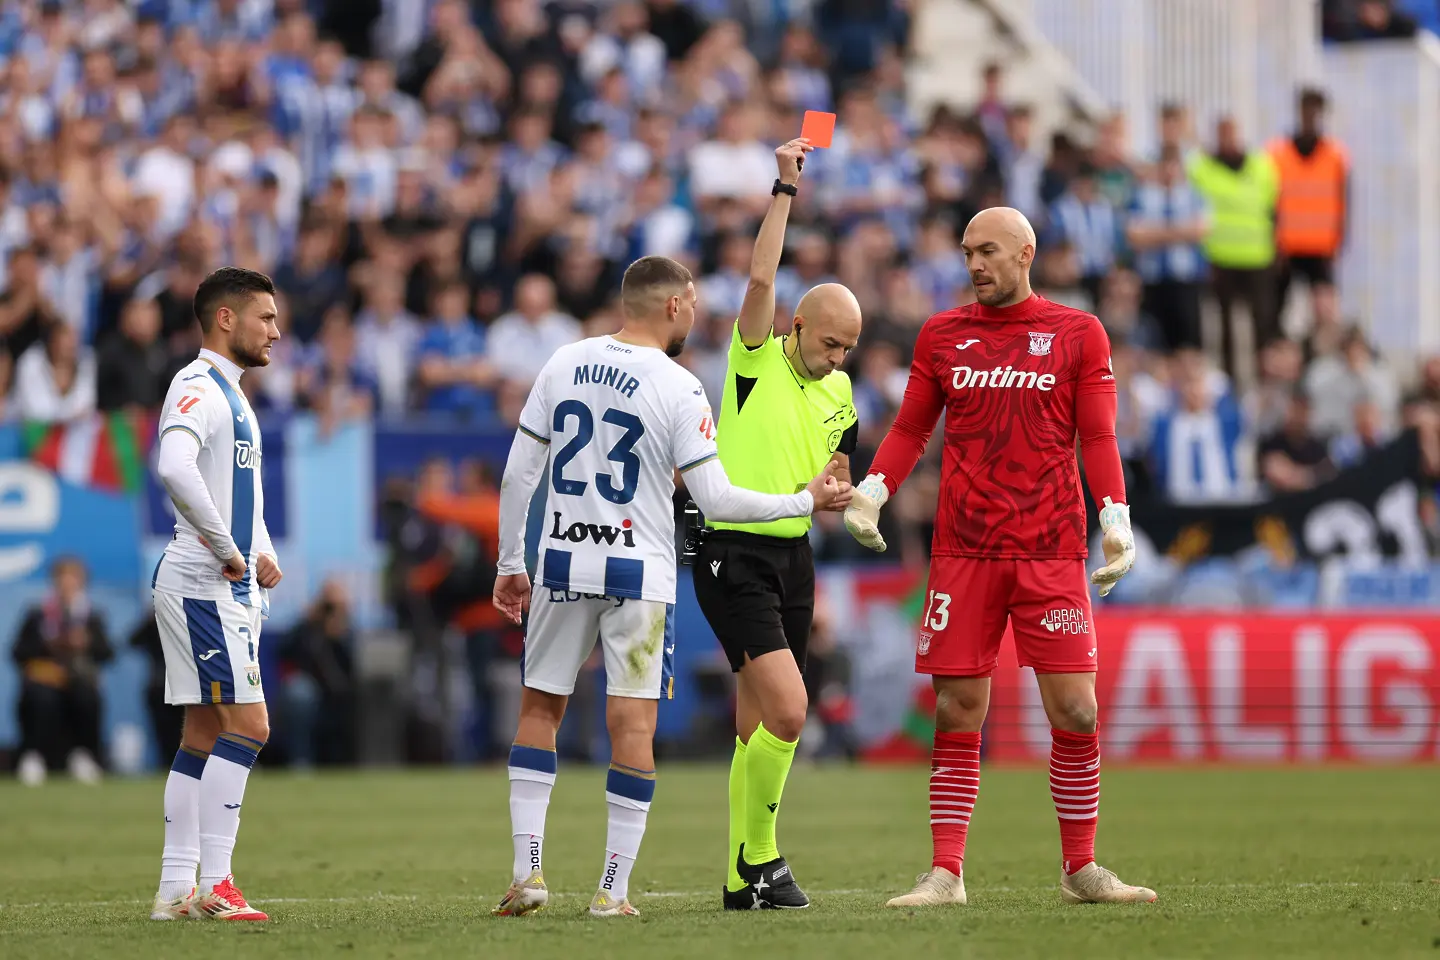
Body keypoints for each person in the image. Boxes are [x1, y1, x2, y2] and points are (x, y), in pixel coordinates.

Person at [490, 254, 850, 919]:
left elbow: (519, 474)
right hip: (638, 570)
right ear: (675, 306)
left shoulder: (561, 362)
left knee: (539, 711)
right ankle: (612, 891)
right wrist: (801, 502)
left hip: (562, 560)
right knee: (632, 724)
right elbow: (715, 499)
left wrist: (512, 563)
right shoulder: (679, 385)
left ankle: (528, 873)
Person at [842, 206, 1154, 907]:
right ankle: (946, 874)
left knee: (1076, 710)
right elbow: (911, 427)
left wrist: (1115, 517)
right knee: (957, 708)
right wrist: (872, 490)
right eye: (966, 253)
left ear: (1025, 253)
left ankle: (1081, 869)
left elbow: (1098, 439)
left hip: (1050, 550)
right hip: (965, 551)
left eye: (987, 252)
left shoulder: (1078, 333)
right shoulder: (943, 334)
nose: (974, 264)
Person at [691, 138, 863, 911]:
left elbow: (839, 468)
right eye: (830, 342)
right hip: (731, 551)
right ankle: (763, 857)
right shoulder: (757, 357)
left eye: (849, 347)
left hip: (793, 556)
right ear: (798, 325)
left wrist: (846, 496)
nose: (837, 357)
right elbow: (760, 274)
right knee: (791, 711)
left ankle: (739, 880)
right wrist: (784, 188)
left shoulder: (842, 391)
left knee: (755, 725)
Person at [147, 267, 283, 922]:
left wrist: (260, 551)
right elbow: (172, 466)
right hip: (204, 587)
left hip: (210, 583)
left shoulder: (230, 393)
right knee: (250, 726)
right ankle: (217, 883)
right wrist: (228, 551)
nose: (276, 333)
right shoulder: (199, 386)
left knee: (203, 730)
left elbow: (226, 487)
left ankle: (176, 889)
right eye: (265, 317)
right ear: (225, 319)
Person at [12, 557, 112, 787]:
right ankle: (34, 756)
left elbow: (107, 653)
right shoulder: (38, 614)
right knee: (41, 699)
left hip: (79, 680)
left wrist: (86, 642)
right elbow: (18, 652)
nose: (67, 584)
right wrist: (49, 644)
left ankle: (83, 755)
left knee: (87, 698)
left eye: (73, 579)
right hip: (44, 680)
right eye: (62, 579)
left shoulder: (90, 616)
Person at [1269, 88, 1347, 332]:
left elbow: (1343, 201)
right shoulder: (1279, 153)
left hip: (1321, 247)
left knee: (1324, 313)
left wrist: (1338, 242)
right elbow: (1270, 202)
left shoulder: (1334, 154)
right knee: (1278, 312)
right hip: (1287, 247)